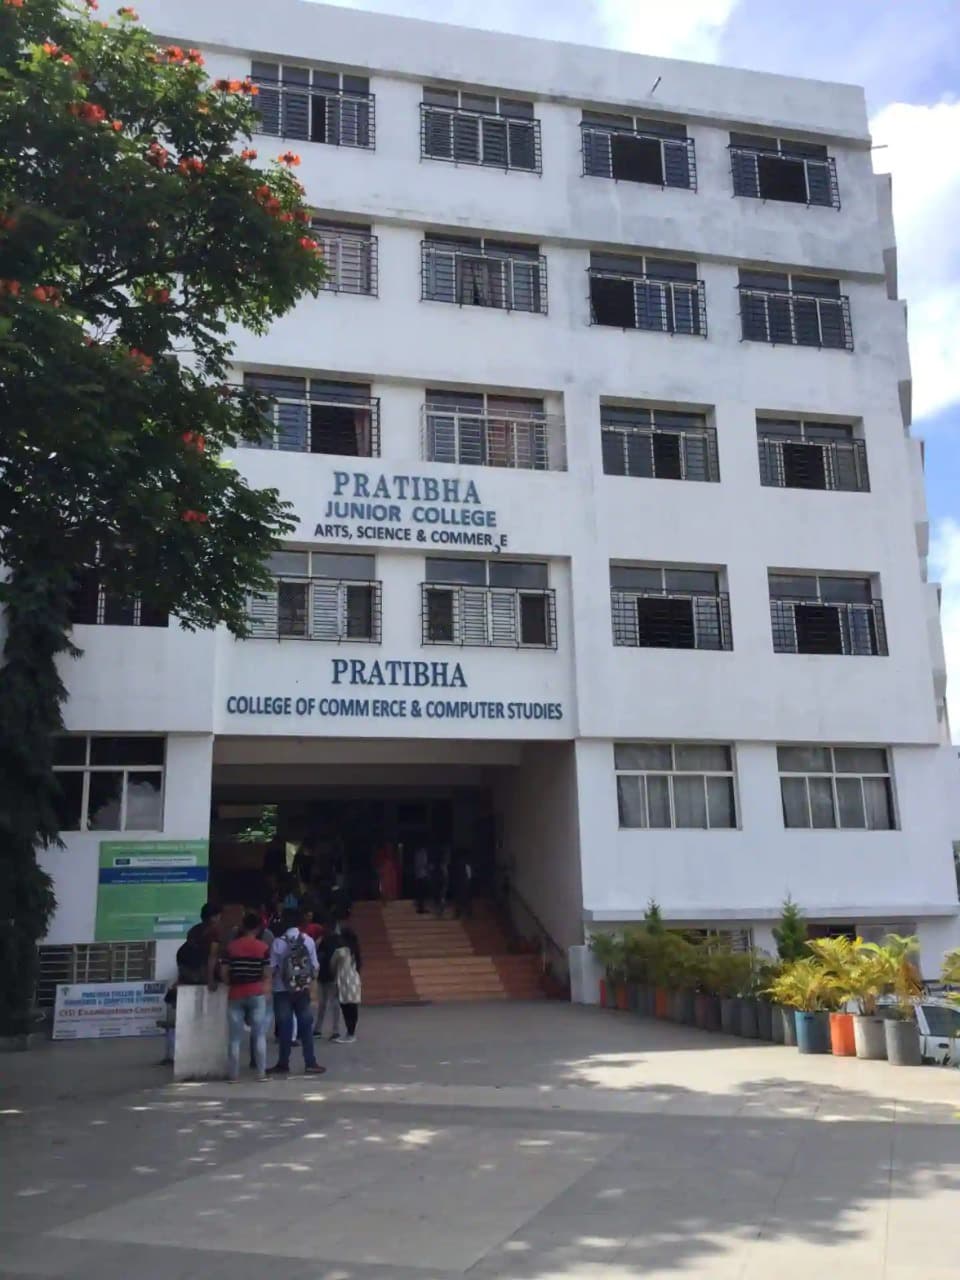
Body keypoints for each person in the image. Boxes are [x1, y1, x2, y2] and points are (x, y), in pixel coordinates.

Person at [267, 910, 325, 1076]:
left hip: (282, 990)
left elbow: (271, 969)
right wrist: (310, 986)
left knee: (285, 1027)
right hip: (302, 989)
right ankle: (310, 1062)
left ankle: (283, 1063)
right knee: (305, 1025)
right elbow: (315, 967)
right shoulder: (308, 940)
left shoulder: (278, 943)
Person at [221, 910, 271, 1082]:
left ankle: (233, 1075)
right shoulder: (263, 947)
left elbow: (224, 972)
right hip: (256, 992)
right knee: (259, 1035)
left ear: (242, 926)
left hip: (235, 993)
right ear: (258, 928)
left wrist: (230, 982)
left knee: (234, 1038)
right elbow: (266, 973)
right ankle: (261, 1073)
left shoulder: (231, 947)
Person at [176, 902, 222, 990]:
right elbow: (212, 956)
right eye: (219, 915)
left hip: (184, 968)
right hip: (198, 972)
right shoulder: (214, 932)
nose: (220, 918)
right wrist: (210, 980)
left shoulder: (194, 929)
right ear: (213, 917)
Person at [332, 920, 362, 1044]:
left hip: (343, 981)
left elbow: (332, 965)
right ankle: (352, 1032)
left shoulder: (340, 951)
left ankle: (349, 1033)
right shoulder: (356, 950)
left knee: (345, 1007)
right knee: (353, 1007)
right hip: (355, 980)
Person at [314, 916, 344, 1041]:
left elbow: (317, 956)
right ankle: (334, 1030)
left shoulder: (324, 940)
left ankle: (319, 1029)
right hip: (333, 974)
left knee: (324, 1003)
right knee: (333, 1003)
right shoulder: (339, 941)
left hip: (326, 974)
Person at [453, 851, 474, 920]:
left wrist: (467, 884)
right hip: (460, 884)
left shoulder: (466, 866)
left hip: (464, 884)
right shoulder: (459, 866)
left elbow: (469, 876)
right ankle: (459, 913)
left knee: (465, 899)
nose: (461, 861)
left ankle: (467, 913)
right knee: (460, 899)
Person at [432, 848, 450, 918]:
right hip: (442, 879)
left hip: (441, 879)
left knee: (441, 896)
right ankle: (440, 910)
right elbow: (445, 874)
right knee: (441, 896)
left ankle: (440, 910)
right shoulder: (443, 864)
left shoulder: (441, 864)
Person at [413, 845, 430, 914]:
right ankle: (421, 908)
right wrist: (428, 868)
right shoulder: (423, 853)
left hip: (418, 875)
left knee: (420, 893)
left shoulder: (417, 853)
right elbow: (424, 864)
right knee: (422, 892)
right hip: (422, 875)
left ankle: (421, 907)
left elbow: (417, 864)